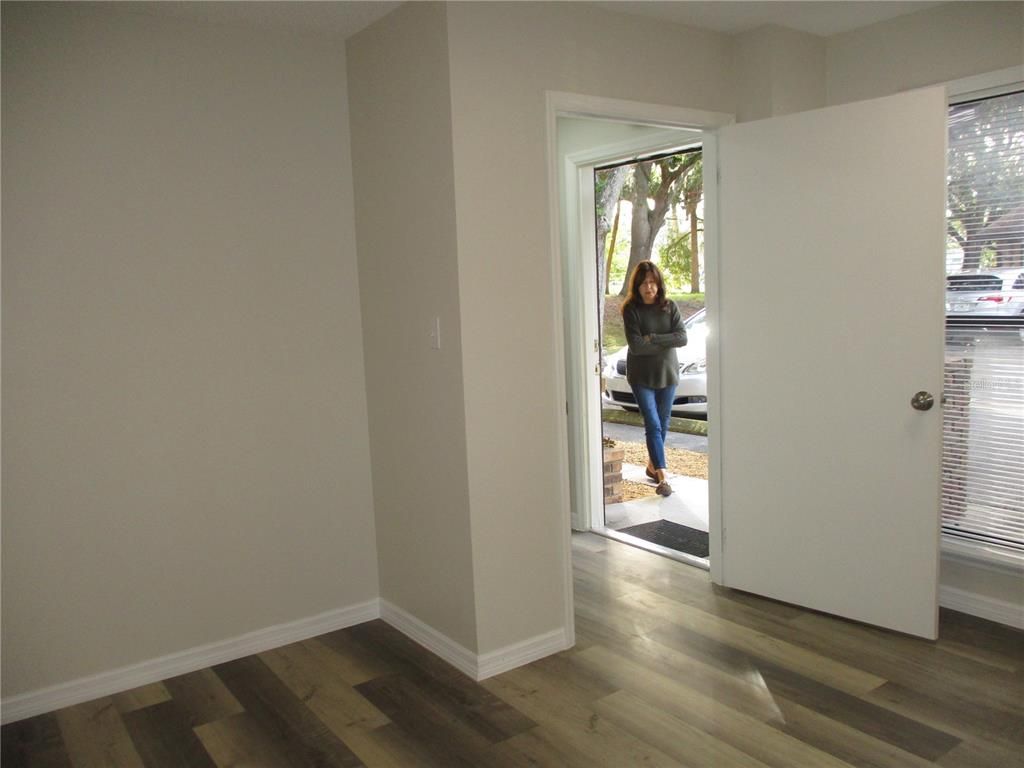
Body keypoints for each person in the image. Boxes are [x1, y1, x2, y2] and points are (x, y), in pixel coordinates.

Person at [620, 260, 687, 497]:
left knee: (663, 422)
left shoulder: (670, 307)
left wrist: (654, 338)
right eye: (644, 283)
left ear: (658, 284)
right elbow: (637, 347)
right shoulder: (631, 309)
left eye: (652, 282)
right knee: (653, 423)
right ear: (637, 286)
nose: (649, 287)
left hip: (667, 374)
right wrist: (666, 340)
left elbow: (682, 338)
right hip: (641, 376)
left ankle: (652, 466)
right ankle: (663, 476)